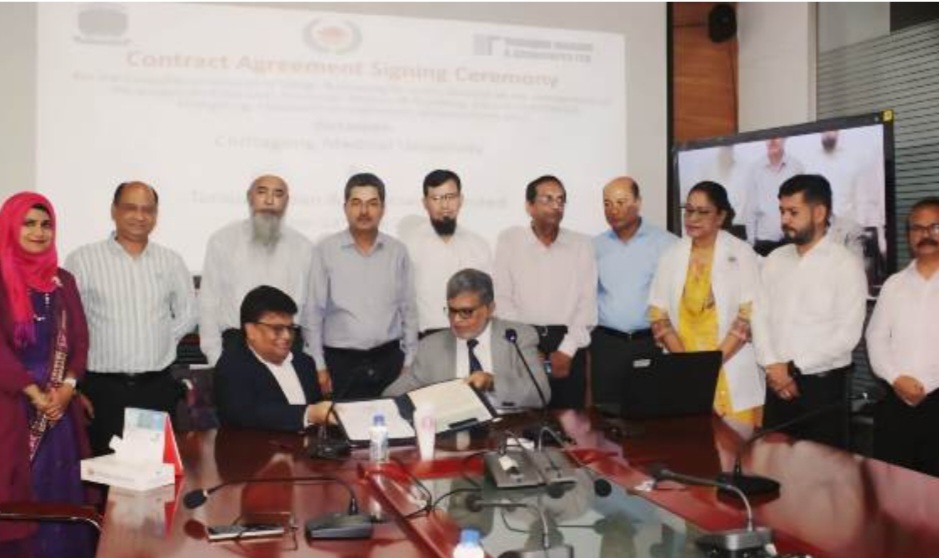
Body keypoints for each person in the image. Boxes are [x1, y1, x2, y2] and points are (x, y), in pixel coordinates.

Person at [65, 181, 197, 456]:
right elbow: (71, 323)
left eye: (148, 210)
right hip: (102, 391)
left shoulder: (170, 261)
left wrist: (159, 338)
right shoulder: (83, 260)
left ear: (156, 215)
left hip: (156, 389)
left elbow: (188, 313)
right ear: (114, 211)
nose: (139, 216)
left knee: (154, 471)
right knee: (103, 471)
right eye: (130, 208)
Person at [0, 192, 93, 556]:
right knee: (20, 494)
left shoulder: (63, 280)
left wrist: (68, 387)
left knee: (60, 492)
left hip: (59, 408)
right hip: (11, 406)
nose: (39, 232)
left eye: (46, 224)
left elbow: (80, 341)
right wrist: (33, 392)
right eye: (28, 224)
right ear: (10, 227)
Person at [752, 174, 867, 448]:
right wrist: (773, 366)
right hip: (776, 383)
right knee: (774, 464)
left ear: (819, 213)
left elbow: (847, 335)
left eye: (793, 212)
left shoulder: (845, 264)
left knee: (822, 469)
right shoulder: (775, 260)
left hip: (822, 389)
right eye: (782, 211)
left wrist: (792, 368)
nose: (784, 220)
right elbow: (759, 315)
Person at [648, 181, 764, 425]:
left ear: (721, 216)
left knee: (736, 443)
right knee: (689, 441)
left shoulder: (741, 253)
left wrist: (709, 367)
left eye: (702, 212)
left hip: (729, 364)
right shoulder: (671, 255)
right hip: (683, 367)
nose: (692, 218)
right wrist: (688, 367)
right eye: (688, 210)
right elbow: (658, 315)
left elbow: (748, 316)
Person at [305, 173, 418, 400]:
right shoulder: (325, 251)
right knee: (343, 422)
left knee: (396, 420)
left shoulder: (397, 251)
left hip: (389, 362)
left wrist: (409, 362)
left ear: (383, 209)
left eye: (372, 204)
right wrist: (319, 366)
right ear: (345, 208)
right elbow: (313, 312)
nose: (364, 211)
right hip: (340, 364)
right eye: (356, 203)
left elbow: (409, 311)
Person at [493, 175, 597, 409]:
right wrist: (527, 348)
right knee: (524, 419)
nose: (556, 205)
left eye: (560, 200)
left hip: (569, 344)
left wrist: (566, 351)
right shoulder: (510, 240)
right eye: (547, 199)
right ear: (529, 206)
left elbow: (587, 304)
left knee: (570, 421)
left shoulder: (581, 244)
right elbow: (502, 299)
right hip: (521, 342)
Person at [384, 268, 549, 409]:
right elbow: (391, 397)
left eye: (466, 312)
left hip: (507, 428)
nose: (456, 320)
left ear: (490, 309)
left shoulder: (517, 337)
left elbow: (540, 394)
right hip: (451, 431)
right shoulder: (430, 347)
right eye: (451, 310)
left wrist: (492, 383)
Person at [199, 174, 313, 366]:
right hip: (237, 344)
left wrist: (311, 357)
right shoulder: (223, 241)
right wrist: (215, 357)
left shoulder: (303, 246)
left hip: (287, 345)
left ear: (286, 201)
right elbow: (208, 303)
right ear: (249, 197)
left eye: (278, 194)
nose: (269, 200)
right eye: (262, 192)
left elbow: (311, 308)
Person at [866, 197, 939, 476]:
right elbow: (875, 337)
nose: (925, 234)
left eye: (934, 227)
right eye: (917, 228)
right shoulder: (894, 284)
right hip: (896, 403)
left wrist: (926, 385)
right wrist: (896, 378)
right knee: (893, 484)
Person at [591, 176, 676, 410]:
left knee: (648, 412)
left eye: (621, 202)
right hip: (606, 345)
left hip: (650, 342)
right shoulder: (594, 246)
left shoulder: (667, 244)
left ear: (638, 202)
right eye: (607, 203)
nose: (613, 210)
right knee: (606, 414)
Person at [215, 286, 332, 432]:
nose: (287, 336)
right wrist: (308, 414)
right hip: (254, 446)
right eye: (277, 329)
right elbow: (246, 415)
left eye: (290, 328)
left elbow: (320, 417)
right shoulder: (231, 367)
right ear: (251, 330)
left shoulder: (304, 363)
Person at [402, 170, 492, 338]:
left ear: (461, 200)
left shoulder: (478, 245)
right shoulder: (408, 245)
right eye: (436, 198)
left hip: (471, 336)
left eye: (451, 197)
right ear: (425, 203)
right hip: (425, 339)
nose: (445, 205)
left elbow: (489, 300)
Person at [742, 138, 805, 255]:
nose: (772, 140)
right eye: (769, 137)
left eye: (777, 136)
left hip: (790, 241)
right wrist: (751, 242)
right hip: (763, 243)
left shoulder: (796, 167)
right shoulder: (755, 169)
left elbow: (802, 206)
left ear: (785, 139)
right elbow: (750, 208)